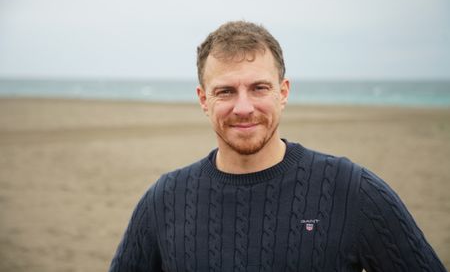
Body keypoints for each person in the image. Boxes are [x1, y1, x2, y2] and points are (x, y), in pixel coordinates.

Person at [109, 21, 446, 272]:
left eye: (259, 88)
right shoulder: (166, 199)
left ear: (282, 93)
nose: (243, 108)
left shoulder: (351, 189)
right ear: (203, 100)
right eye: (225, 91)